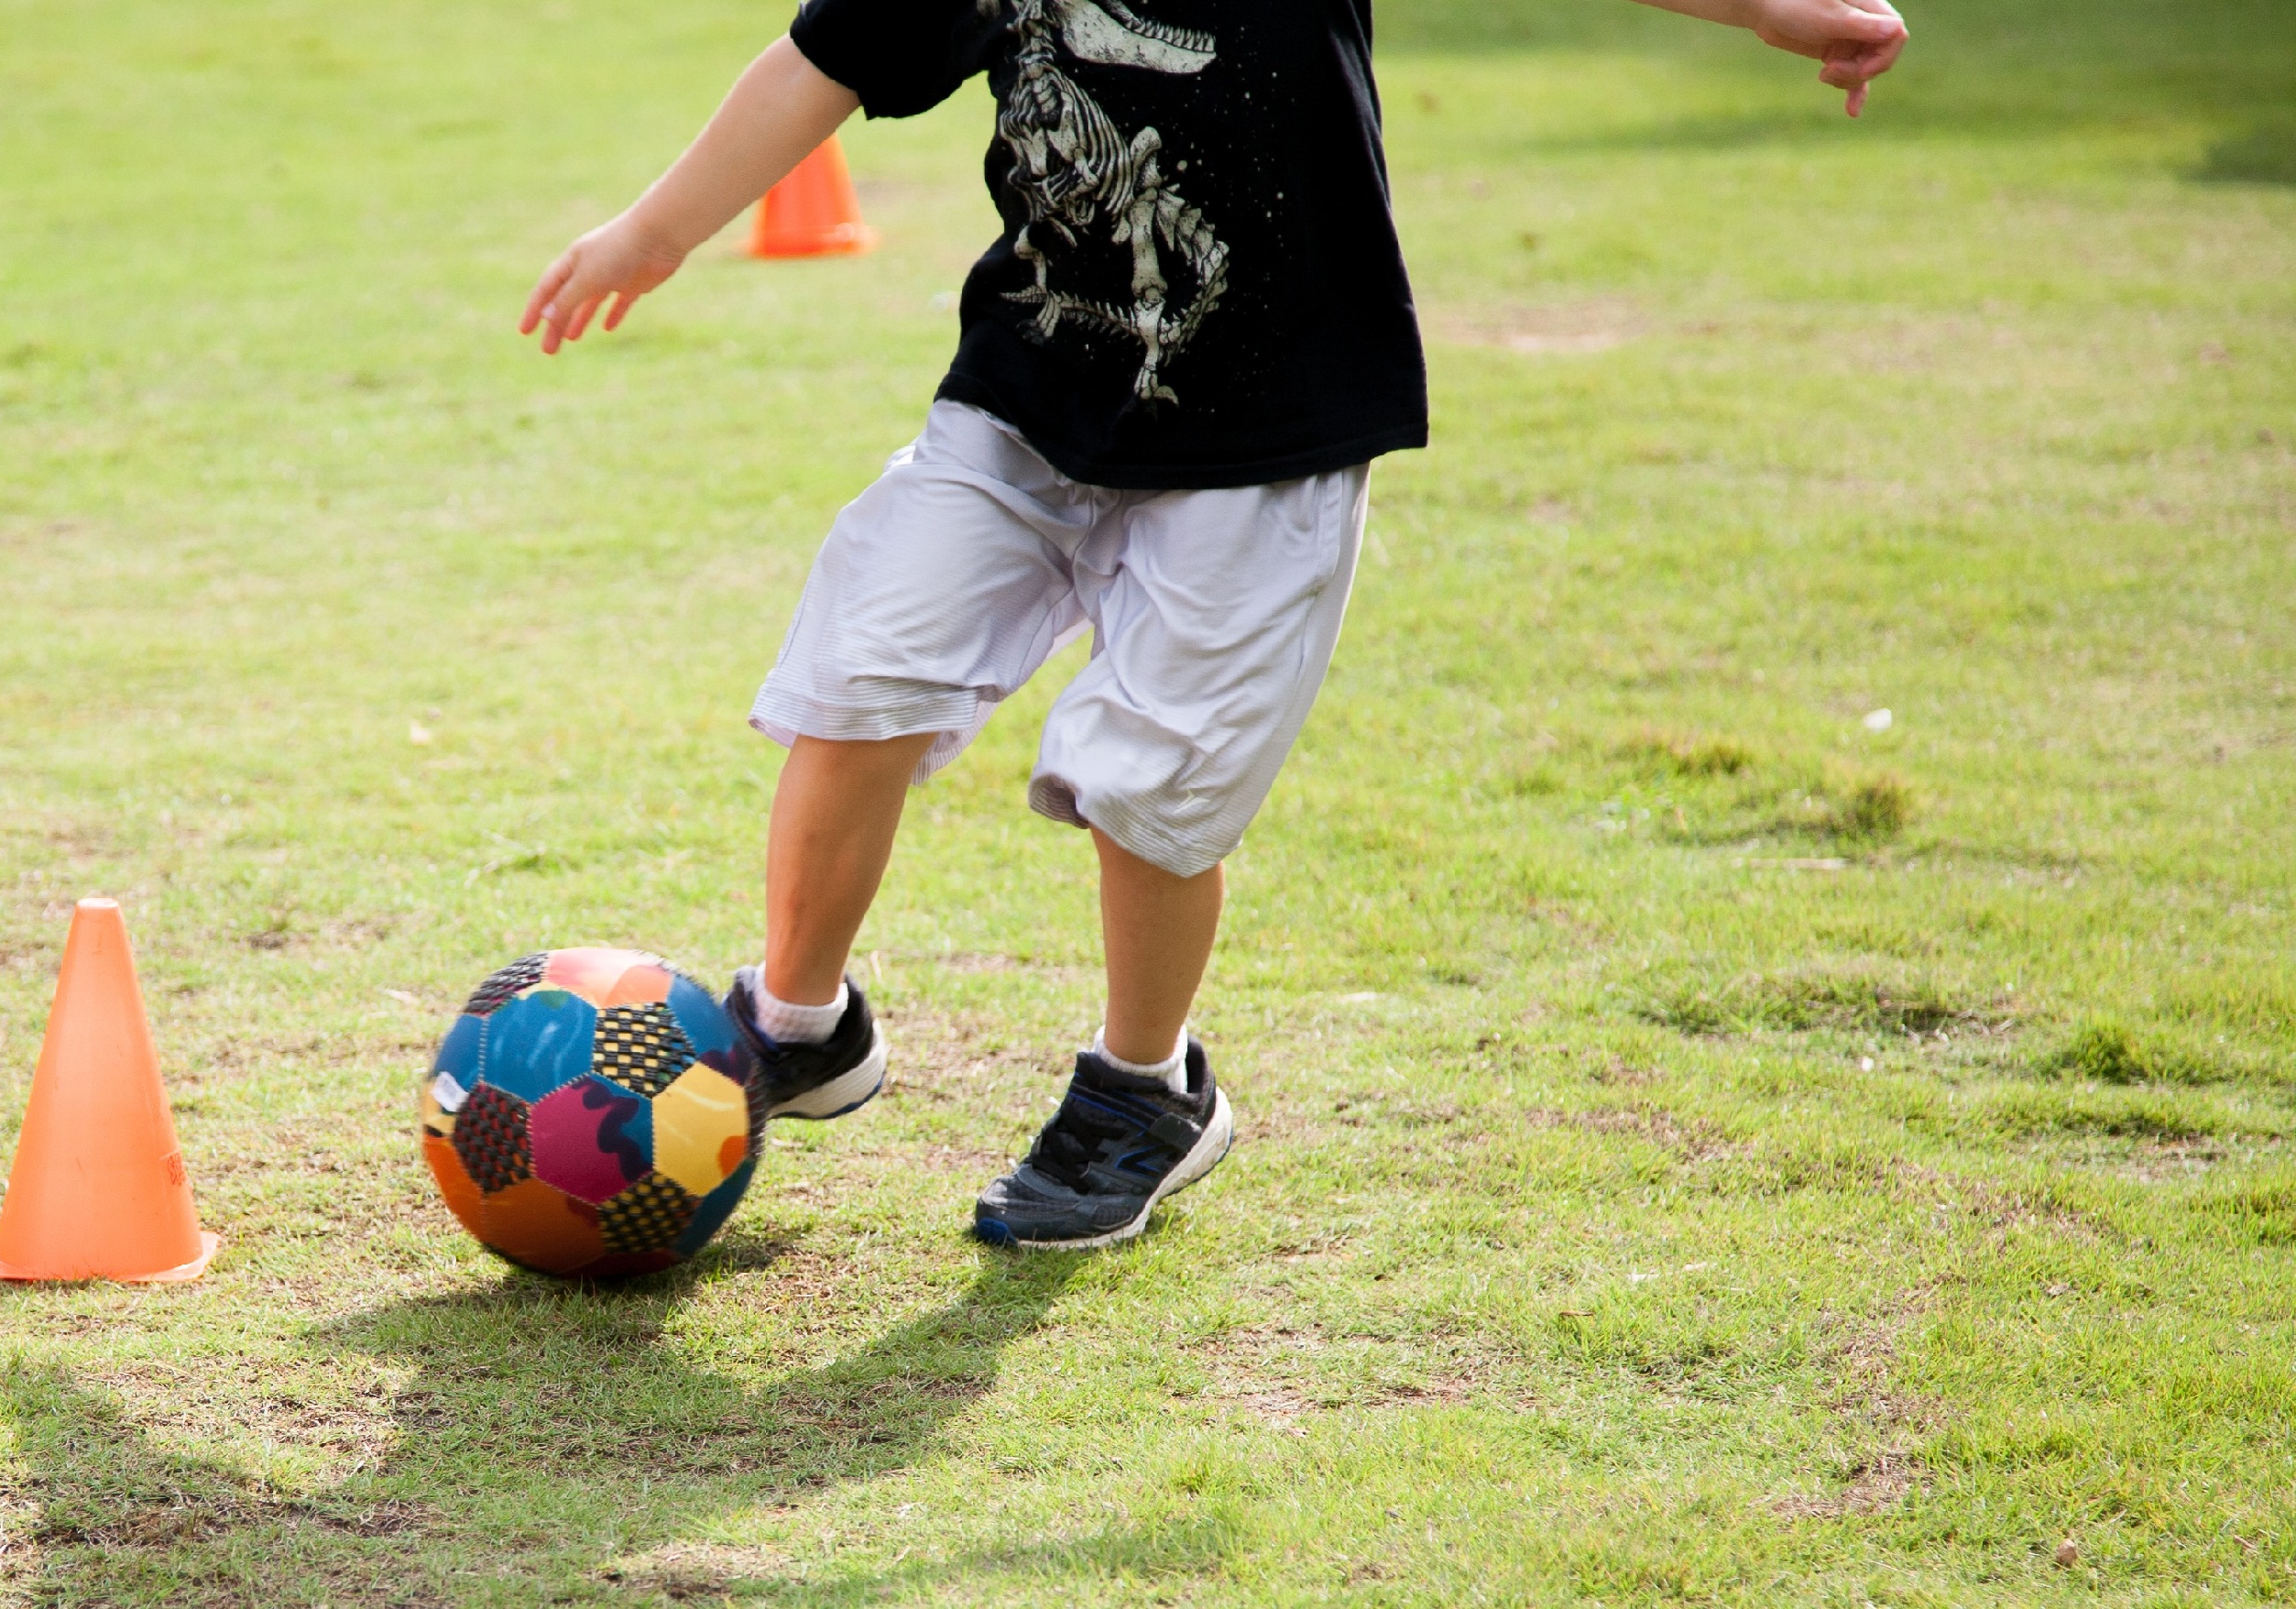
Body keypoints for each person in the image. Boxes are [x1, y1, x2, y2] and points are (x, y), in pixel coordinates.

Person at [521, 0, 1905, 1249]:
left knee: (1146, 782)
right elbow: (825, 60)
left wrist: (1765, 9)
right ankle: (799, 1025)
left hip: (1267, 439)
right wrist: (653, 231)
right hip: (1028, 400)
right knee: (859, 670)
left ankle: (1144, 1092)